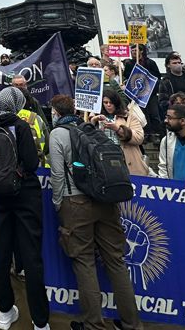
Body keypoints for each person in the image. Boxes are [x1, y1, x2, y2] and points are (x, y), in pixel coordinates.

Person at [49, 94, 143, 330]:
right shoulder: (92, 130)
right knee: (116, 261)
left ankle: (94, 323)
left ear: (56, 112)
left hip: (76, 202)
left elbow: (58, 174)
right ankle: (131, 323)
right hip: (105, 201)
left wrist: (59, 203)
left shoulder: (58, 134)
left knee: (84, 261)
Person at [0, 87, 49, 330]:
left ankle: (4, 311)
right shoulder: (21, 126)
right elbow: (32, 162)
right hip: (25, 196)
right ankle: (40, 321)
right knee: (31, 257)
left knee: (0, 255)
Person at [90, 90, 149, 176]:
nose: (108, 105)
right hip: (104, 162)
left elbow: (139, 138)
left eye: (111, 102)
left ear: (116, 103)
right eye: (105, 102)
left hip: (126, 162)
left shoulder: (128, 117)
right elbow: (88, 140)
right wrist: (93, 122)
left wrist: (118, 129)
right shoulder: (95, 117)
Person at [123, 44, 163, 140]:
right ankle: (145, 133)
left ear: (141, 51)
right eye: (132, 51)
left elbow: (157, 76)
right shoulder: (129, 64)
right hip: (138, 94)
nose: (133, 52)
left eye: (136, 50)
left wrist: (145, 73)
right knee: (142, 114)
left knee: (154, 114)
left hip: (150, 93)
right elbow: (127, 76)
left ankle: (157, 134)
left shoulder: (150, 62)